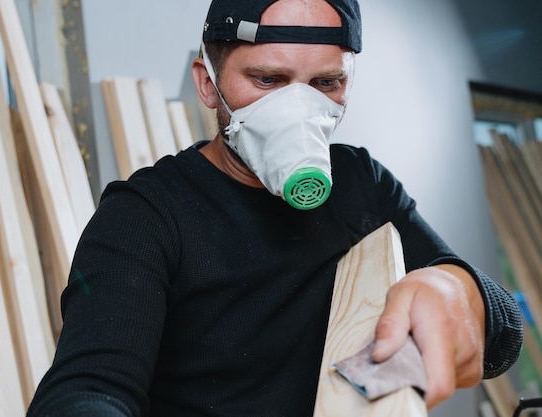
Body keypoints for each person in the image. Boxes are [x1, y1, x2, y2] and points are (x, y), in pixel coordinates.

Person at [26, 0, 523, 415]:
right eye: (267, 79)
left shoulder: (362, 186)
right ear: (207, 84)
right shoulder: (146, 216)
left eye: (326, 84)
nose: (298, 108)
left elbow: (503, 339)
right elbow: (88, 389)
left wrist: (458, 288)